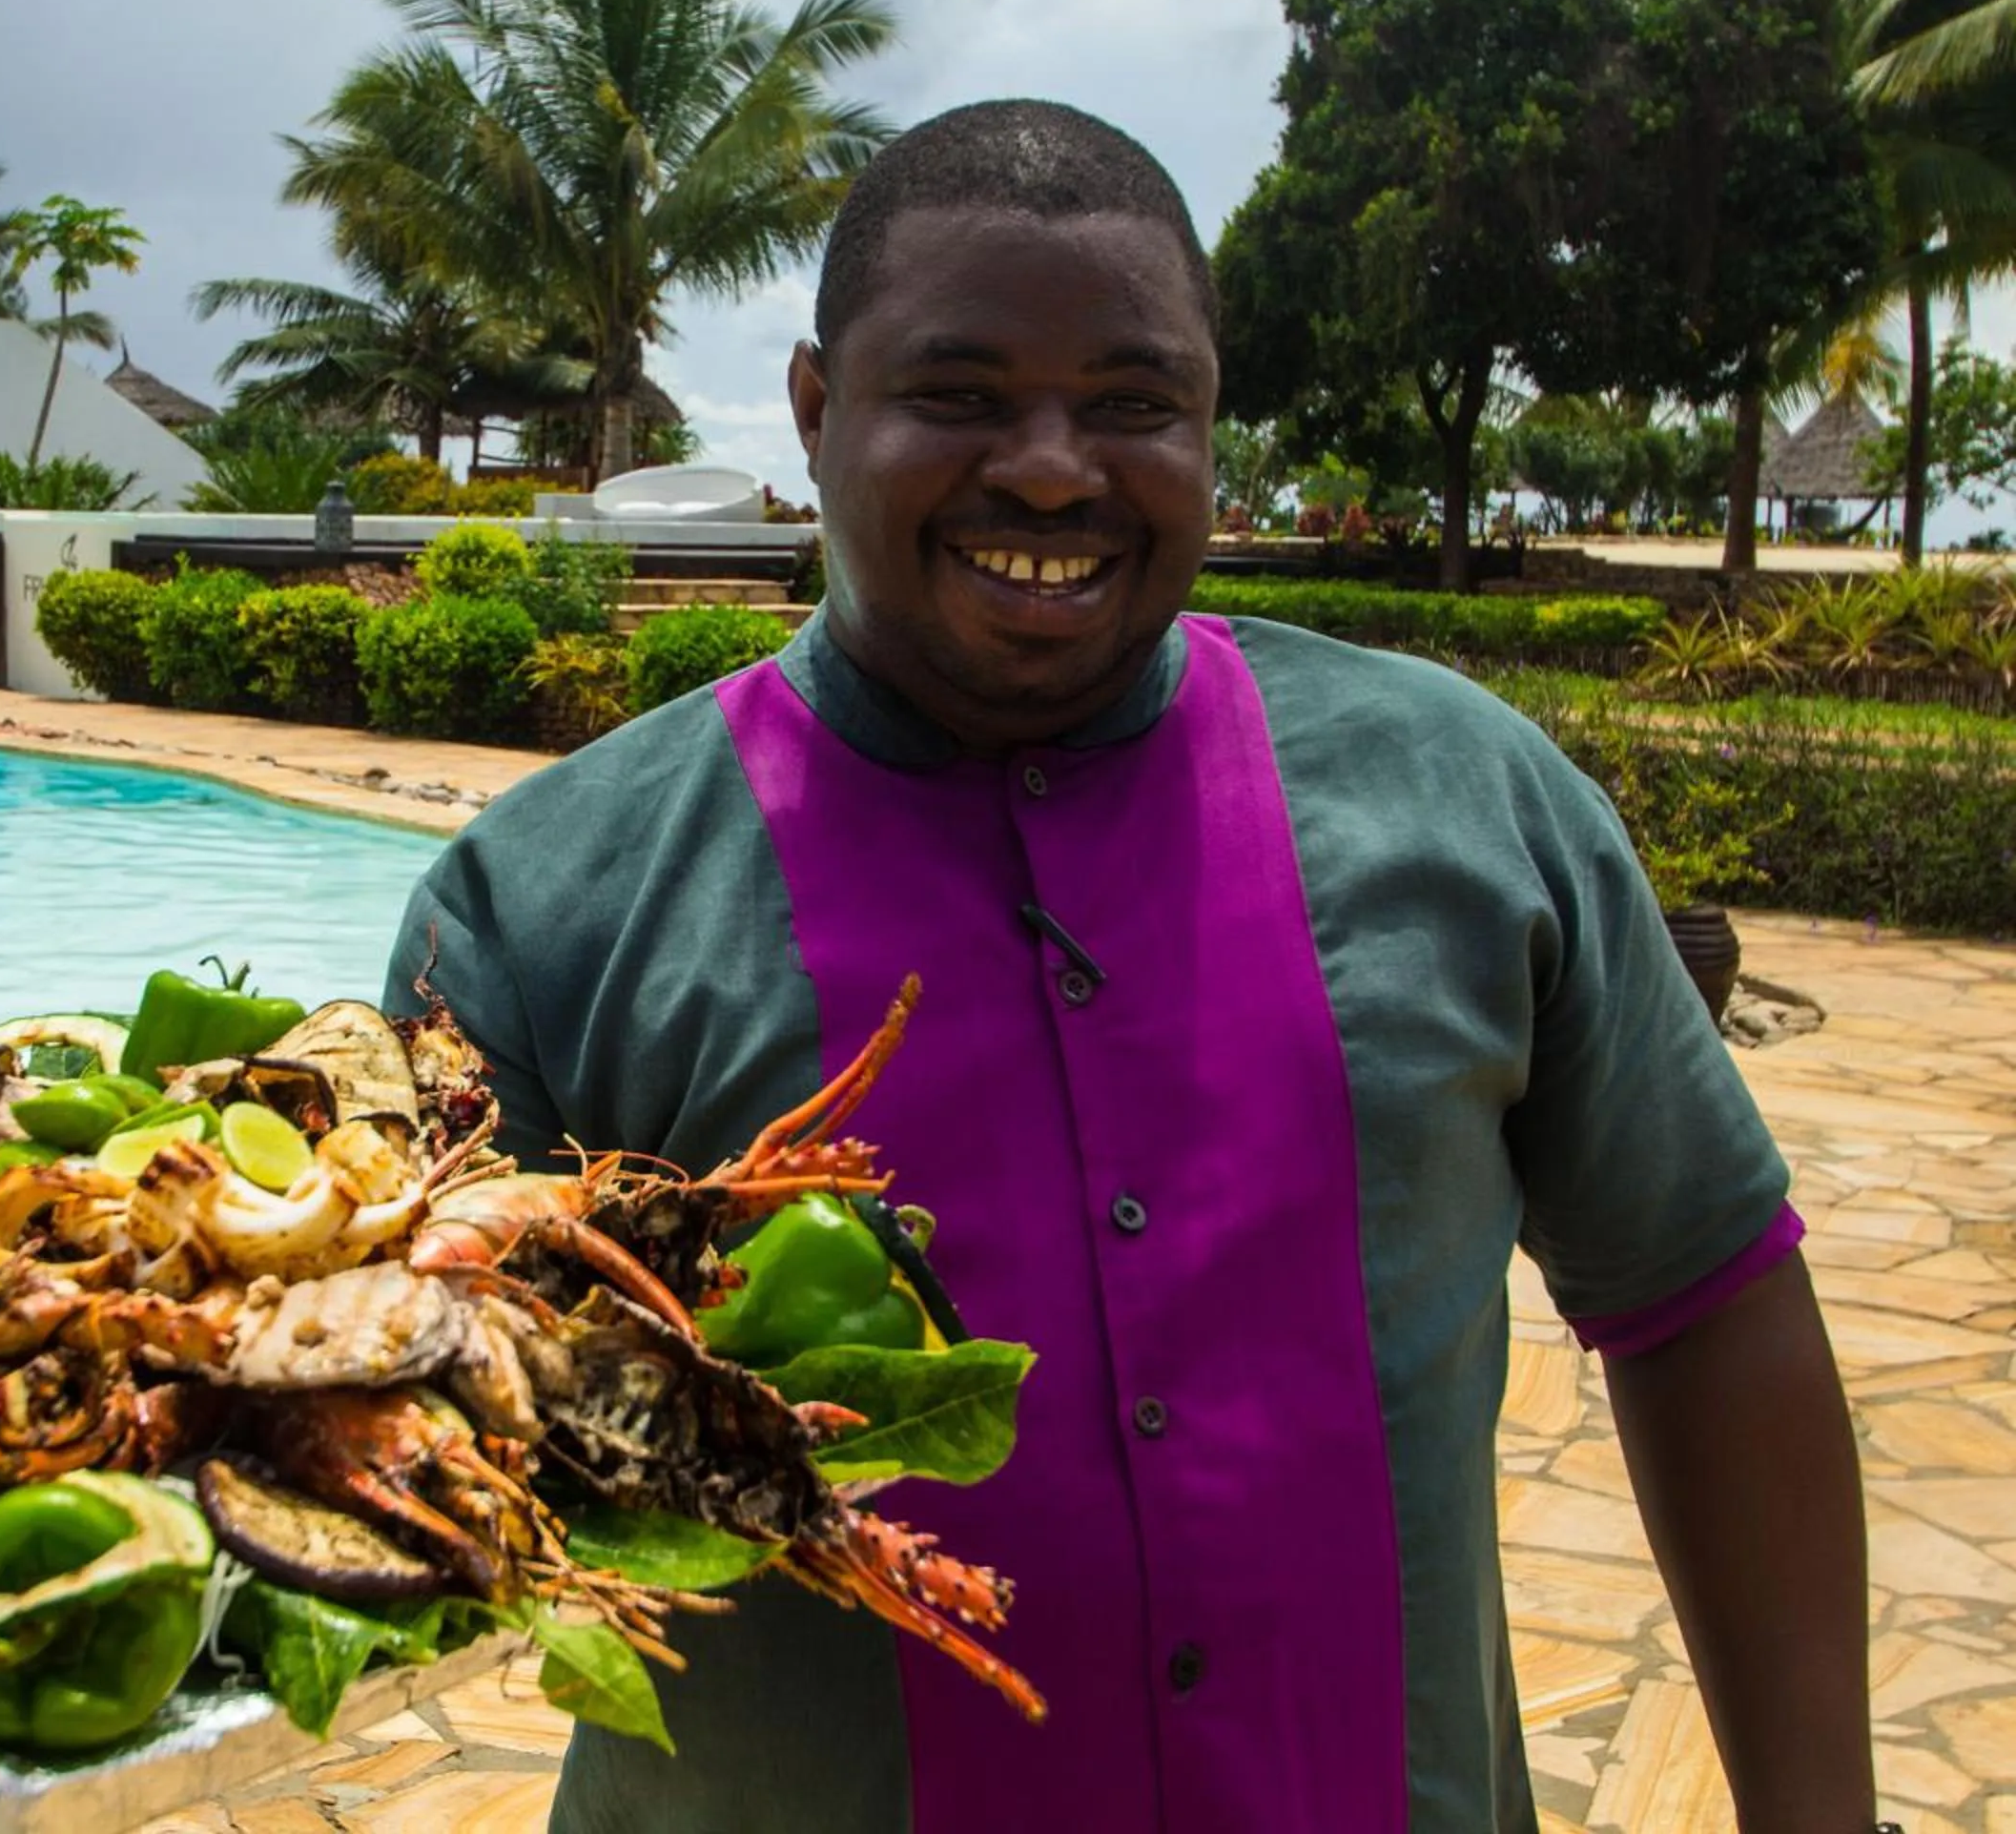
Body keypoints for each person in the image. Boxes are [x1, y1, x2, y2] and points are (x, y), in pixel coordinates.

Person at [381, 100, 1878, 1833]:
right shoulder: (549, 906)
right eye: (958, 394)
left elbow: (1703, 1298)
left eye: (1133, 405)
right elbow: (399, 1409)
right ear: (813, 412)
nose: (1048, 466)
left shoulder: (1471, 809)